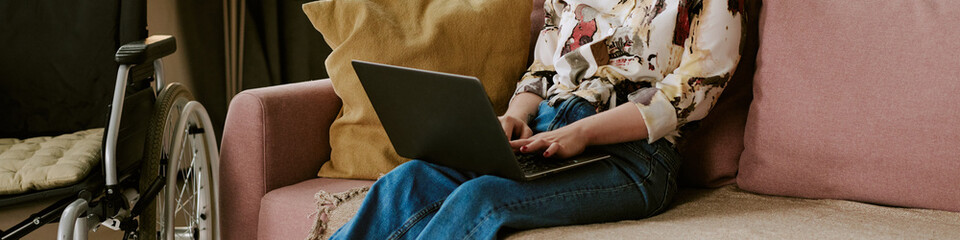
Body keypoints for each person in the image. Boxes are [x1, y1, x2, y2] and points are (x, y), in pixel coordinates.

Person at [331, 0, 744, 239]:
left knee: (482, 199)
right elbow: (544, 68)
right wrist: (515, 116)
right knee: (410, 179)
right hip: (547, 128)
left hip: (636, 156)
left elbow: (694, 92)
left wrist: (581, 132)